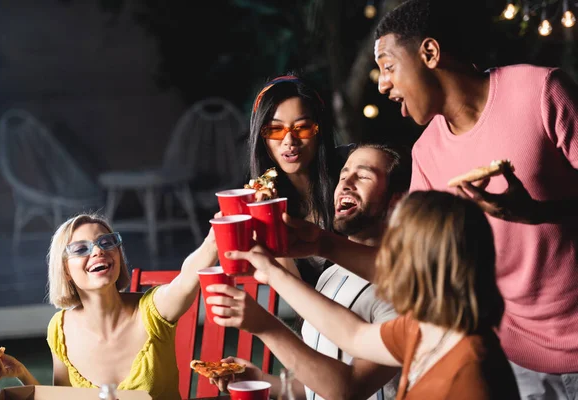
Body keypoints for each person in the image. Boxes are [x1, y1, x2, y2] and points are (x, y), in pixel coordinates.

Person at [371, 0, 578, 397]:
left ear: (429, 53)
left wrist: (539, 213)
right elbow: (421, 262)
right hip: (516, 361)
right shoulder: (426, 154)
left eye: (388, 66)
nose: (382, 84)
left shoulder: (541, 91)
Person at [224, 191, 521, 399]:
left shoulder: (472, 376)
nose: (383, 260)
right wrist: (272, 272)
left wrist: (264, 322)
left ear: (428, 267)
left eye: (394, 248)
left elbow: (347, 384)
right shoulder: (424, 329)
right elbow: (352, 334)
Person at [206, 143, 410, 400]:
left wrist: (266, 326)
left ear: (397, 200)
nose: (346, 184)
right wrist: (259, 379)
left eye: (364, 176)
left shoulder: (406, 288)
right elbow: (319, 387)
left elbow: (349, 389)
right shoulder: (330, 273)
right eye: (343, 175)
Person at [0, 213, 219, 400]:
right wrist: (22, 374)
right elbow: (64, 399)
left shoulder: (152, 310)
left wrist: (216, 236)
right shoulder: (60, 328)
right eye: (80, 249)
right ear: (65, 270)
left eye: (107, 243)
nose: (98, 251)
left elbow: (188, 276)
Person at [248, 73, 343, 286]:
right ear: (261, 137)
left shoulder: (348, 177)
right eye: (274, 129)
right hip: (307, 313)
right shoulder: (259, 199)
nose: (290, 140)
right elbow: (290, 288)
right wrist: (270, 219)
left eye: (302, 127)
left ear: (319, 130)